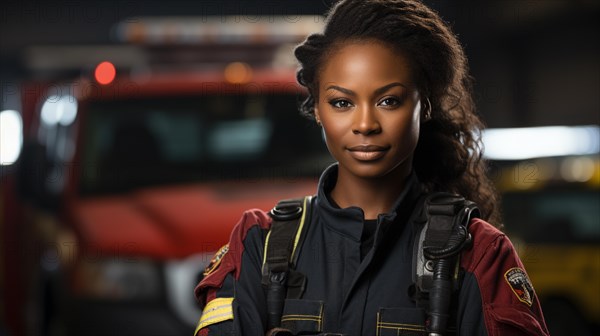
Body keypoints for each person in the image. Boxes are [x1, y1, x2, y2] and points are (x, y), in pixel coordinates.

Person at [193, 0, 549, 335]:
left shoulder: (479, 253)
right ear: (317, 108)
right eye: (342, 102)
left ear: (424, 105)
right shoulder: (260, 245)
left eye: (388, 100)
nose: (365, 124)